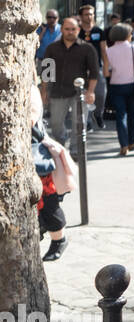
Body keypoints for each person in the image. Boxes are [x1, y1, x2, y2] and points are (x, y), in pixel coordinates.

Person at [39, 17, 99, 146]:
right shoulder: (51, 48)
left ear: (78, 30)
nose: (70, 32)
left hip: (79, 93)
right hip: (58, 91)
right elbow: (46, 73)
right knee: (55, 124)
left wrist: (91, 92)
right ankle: (61, 145)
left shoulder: (87, 48)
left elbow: (94, 72)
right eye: (67, 29)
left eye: (73, 29)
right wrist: (44, 91)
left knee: (79, 124)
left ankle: (75, 151)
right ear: (61, 30)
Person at [32, 76, 73, 261]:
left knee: (49, 202)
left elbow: (31, 118)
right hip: (30, 159)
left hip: (36, 159)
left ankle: (59, 240)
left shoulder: (29, 90)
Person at [102, 23, 134, 156]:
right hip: (133, 84)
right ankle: (131, 142)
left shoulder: (108, 51)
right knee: (133, 115)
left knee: (120, 115)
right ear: (128, 35)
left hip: (116, 85)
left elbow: (106, 72)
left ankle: (123, 145)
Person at [77, 4, 107, 129]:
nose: (89, 17)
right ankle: (87, 121)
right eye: (86, 14)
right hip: (81, 69)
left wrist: (106, 67)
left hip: (97, 68)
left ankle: (98, 114)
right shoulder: (76, 31)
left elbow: (104, 51)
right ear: (81, 16)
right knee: (84, 95)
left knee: (100, 94)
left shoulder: (99, 31)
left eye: (91, 14)